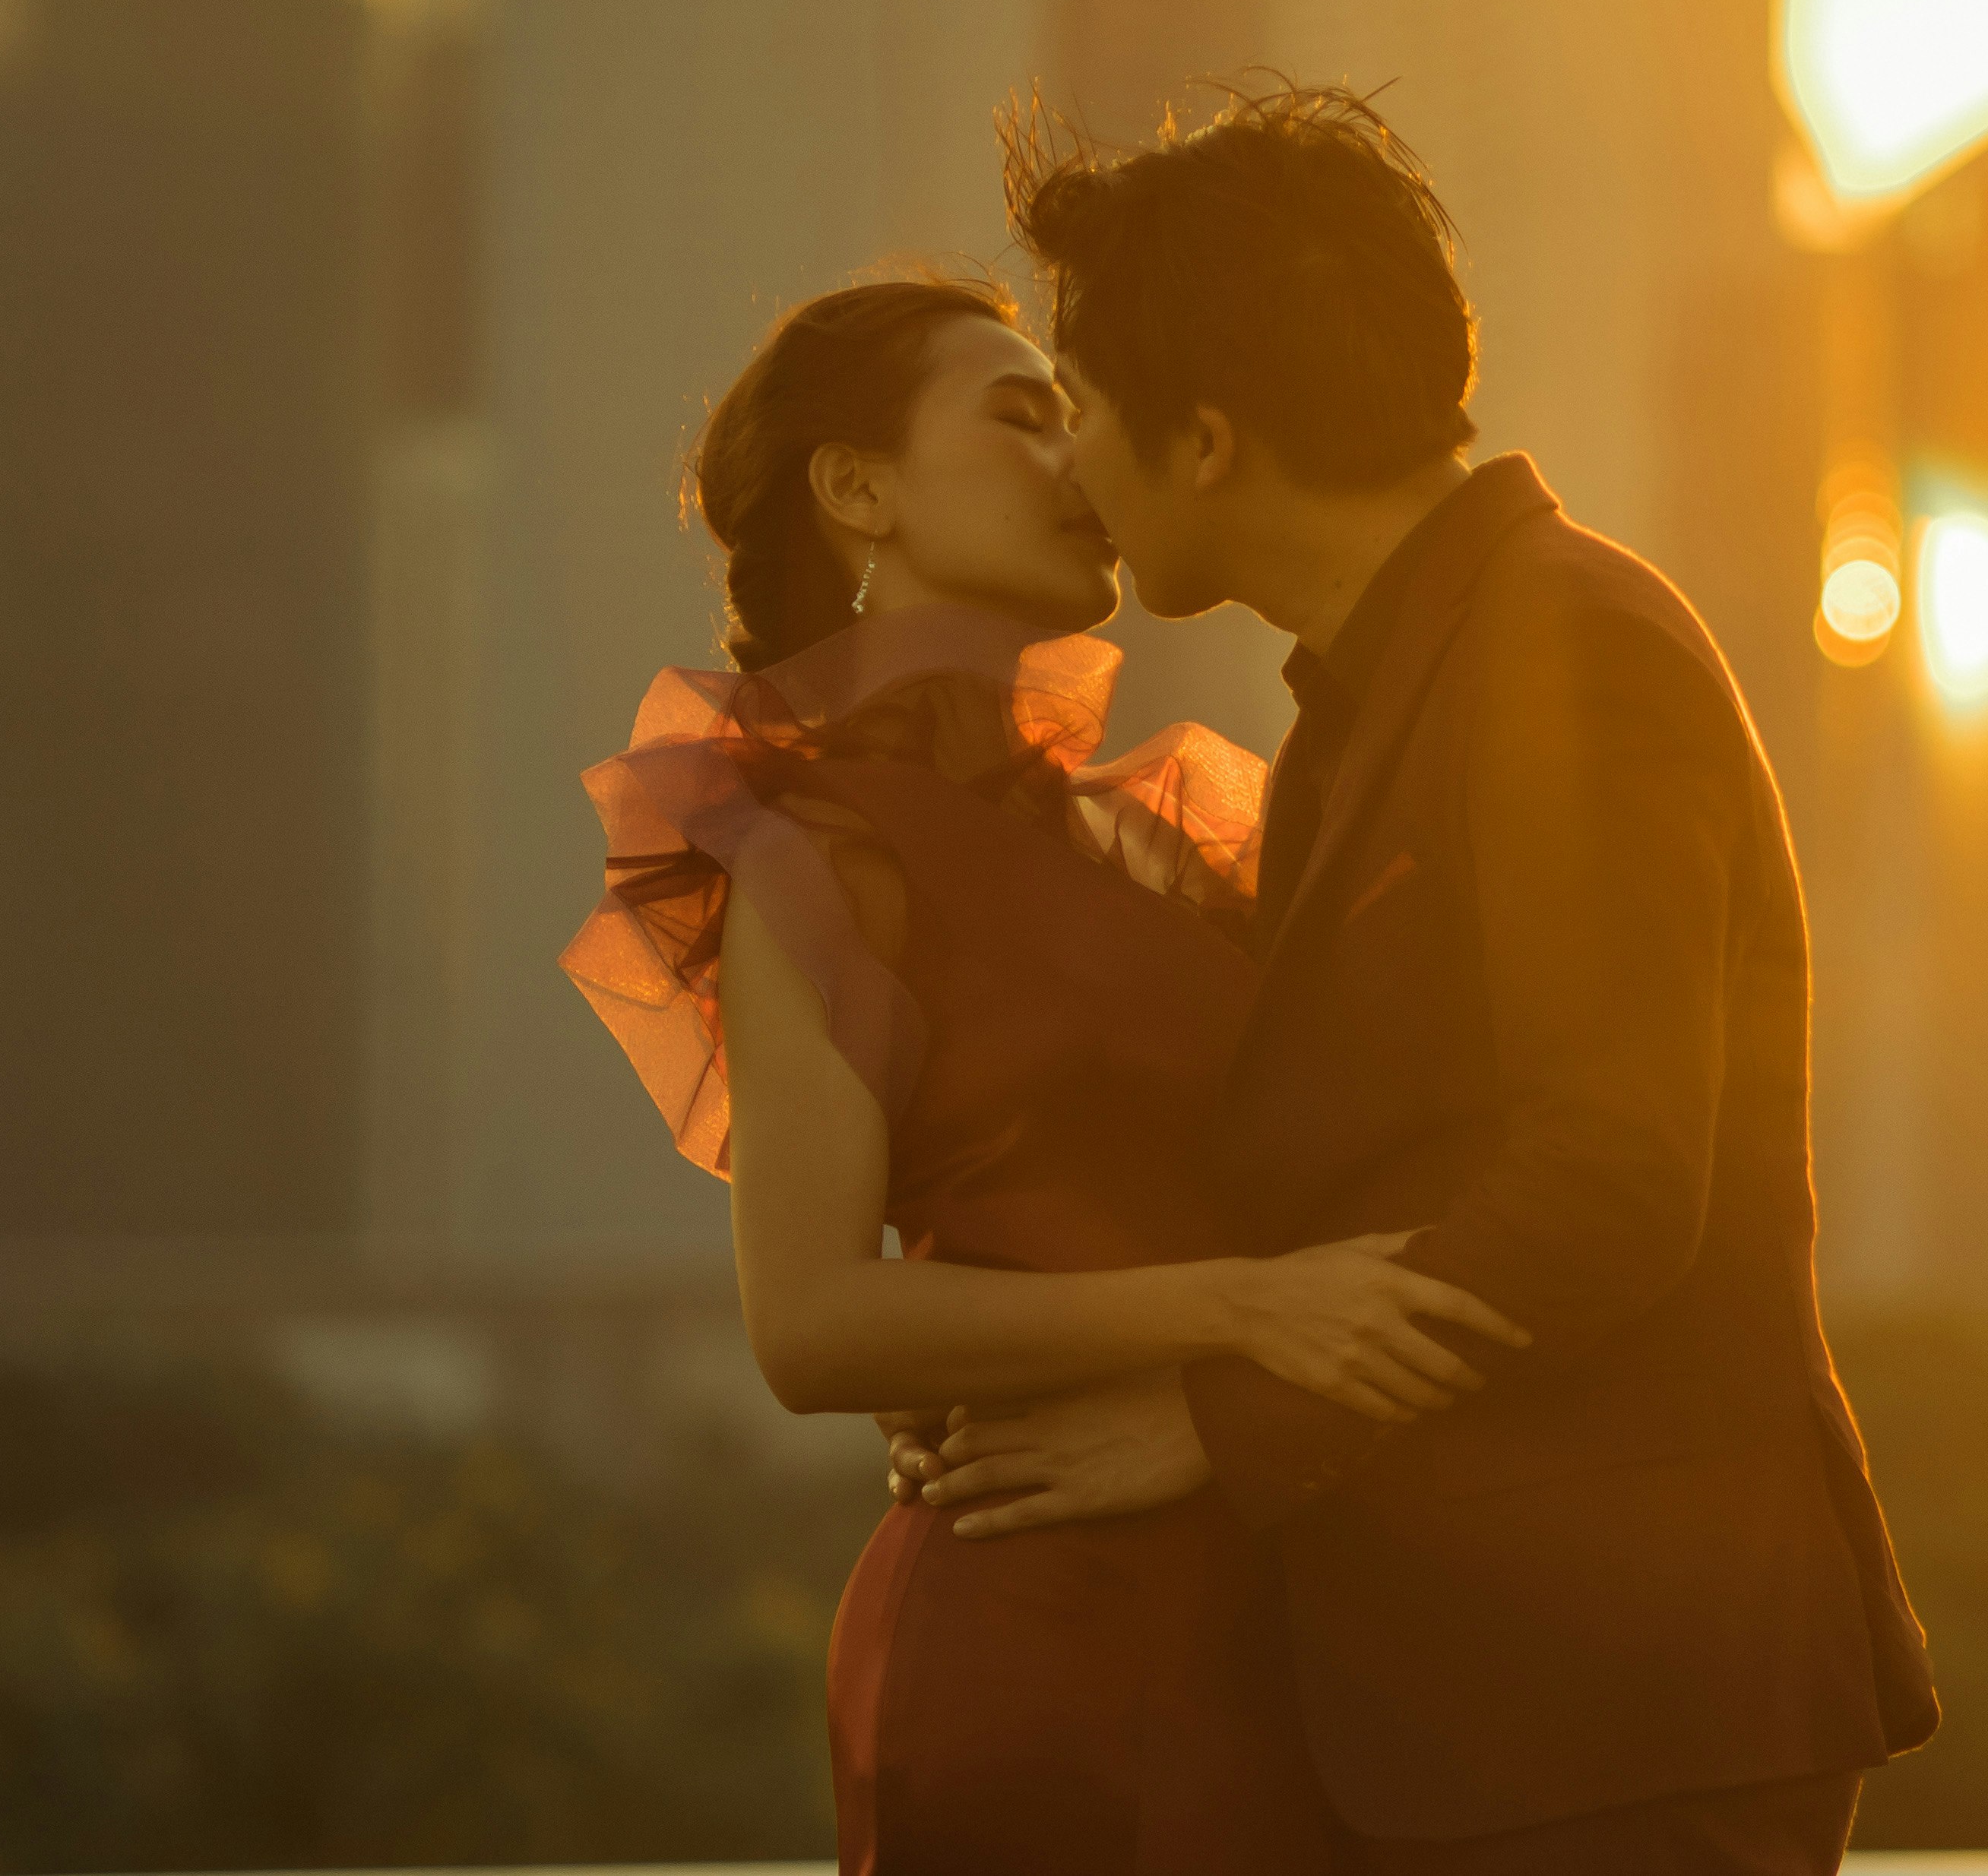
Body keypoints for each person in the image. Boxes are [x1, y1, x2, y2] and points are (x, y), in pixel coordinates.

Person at [900, 85, 1936, 1873]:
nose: (1069, 467)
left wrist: (1215, 1421)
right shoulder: (1375, 699)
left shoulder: (1566, 655)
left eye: (1082, 413)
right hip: (1477, 1708)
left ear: (1207, 440)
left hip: (1617, 1719)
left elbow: (1611, 1181)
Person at [565, 273, 1525, 1875]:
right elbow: (809, 1322)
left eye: (1073, 411)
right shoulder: (823, 851)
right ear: (861, 489)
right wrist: (1238, 1308)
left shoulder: (1149, 832)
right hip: (1037, 1624)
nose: (1076, 451)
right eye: (1018, 415)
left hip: (1285, 1611)